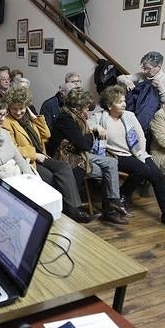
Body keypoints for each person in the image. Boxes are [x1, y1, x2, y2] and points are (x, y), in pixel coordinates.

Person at [89, 86, 165, 232]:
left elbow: (141, 137)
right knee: (143, 170)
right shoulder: (100, 117)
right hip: (116, 156)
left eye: (123, 100)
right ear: (109, 105)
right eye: (119, 101)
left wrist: (140, 154)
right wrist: (97, 127)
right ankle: (122, 196)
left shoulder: (129, 116)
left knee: (157, 175)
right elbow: (86, 125)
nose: (123, 104)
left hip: (137, 153)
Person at [3, 87, 98, 223]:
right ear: (9, 107)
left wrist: (35, 118)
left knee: (64, 167)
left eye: (22, 108)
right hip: (28, 159)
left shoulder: (28, 118)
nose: (18, 112)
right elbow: (12, 148)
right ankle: (71, 212)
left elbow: (46, 134)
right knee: (51, 178)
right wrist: (34, 154)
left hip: (42, 155)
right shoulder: (7, 122)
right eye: (14, 109)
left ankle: (74, 209)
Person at [47, 88, 128, 225]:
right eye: (86, 106)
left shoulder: (78, 117)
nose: (88, 109)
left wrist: (89, 134)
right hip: (66, 157)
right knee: (106, 171)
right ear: (79, 106)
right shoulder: (66, 118)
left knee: (111, 162)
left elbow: (84, 143)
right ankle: (109, 209)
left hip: (79, 153)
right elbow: (85, 144)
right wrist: (91, 133)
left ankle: (113, 201)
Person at [117, 51, 165, 140]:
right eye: (144, 68)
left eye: (148, 68)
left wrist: (160, 88)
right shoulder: (141, 75)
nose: (145, 71)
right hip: (134, 109)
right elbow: (120, 78)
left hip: (150, 114)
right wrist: (127, 81)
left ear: (158, 67)